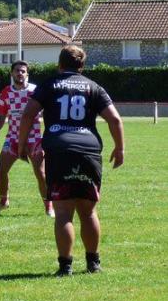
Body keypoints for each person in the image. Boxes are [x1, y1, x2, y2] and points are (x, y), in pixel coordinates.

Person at [18, 45, 124, 276]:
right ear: (82, 66)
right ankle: (93, 263)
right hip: (88, 150)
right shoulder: (94, 87)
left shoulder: (49, 85)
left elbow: (28, 114)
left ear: (60, 64)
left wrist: (21, 144)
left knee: (63, 213)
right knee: (88, 212)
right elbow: (115, 120)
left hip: (59, 148)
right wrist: (120, 148)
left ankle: (65, 266)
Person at [0, 61, 53, 217]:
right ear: (12, 73)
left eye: (23, 71)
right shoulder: (5, 92)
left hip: (34, 139)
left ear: (27, 74)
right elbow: (2, 114)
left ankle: (48, 207)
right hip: (12, 138)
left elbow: (48, 111)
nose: (20, 73)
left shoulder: (36, 91)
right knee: (1, 170)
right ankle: (4, 202)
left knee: (41, 173)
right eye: (17, 71)